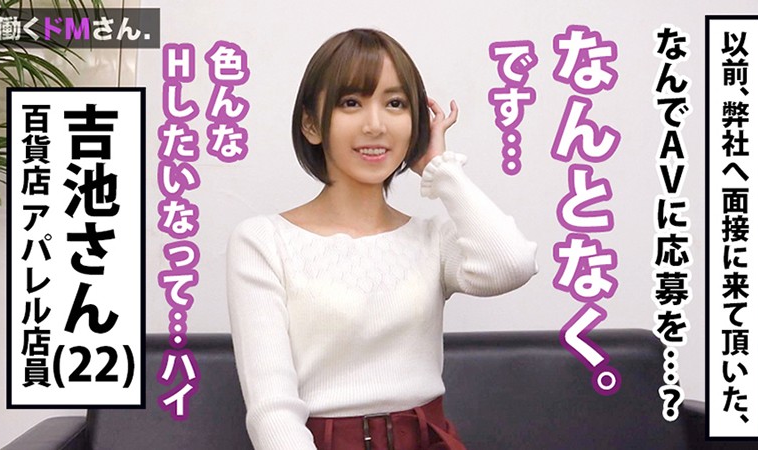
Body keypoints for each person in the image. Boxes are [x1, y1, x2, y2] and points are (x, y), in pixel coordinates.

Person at [226, 28, 538, 450]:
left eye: (394, 104)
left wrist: (441, 169)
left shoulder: (432, 239)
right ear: (311, 124)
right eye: (351, 103)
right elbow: (272, 412)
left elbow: (512, 265)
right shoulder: (263, 242)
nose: (375, 125)